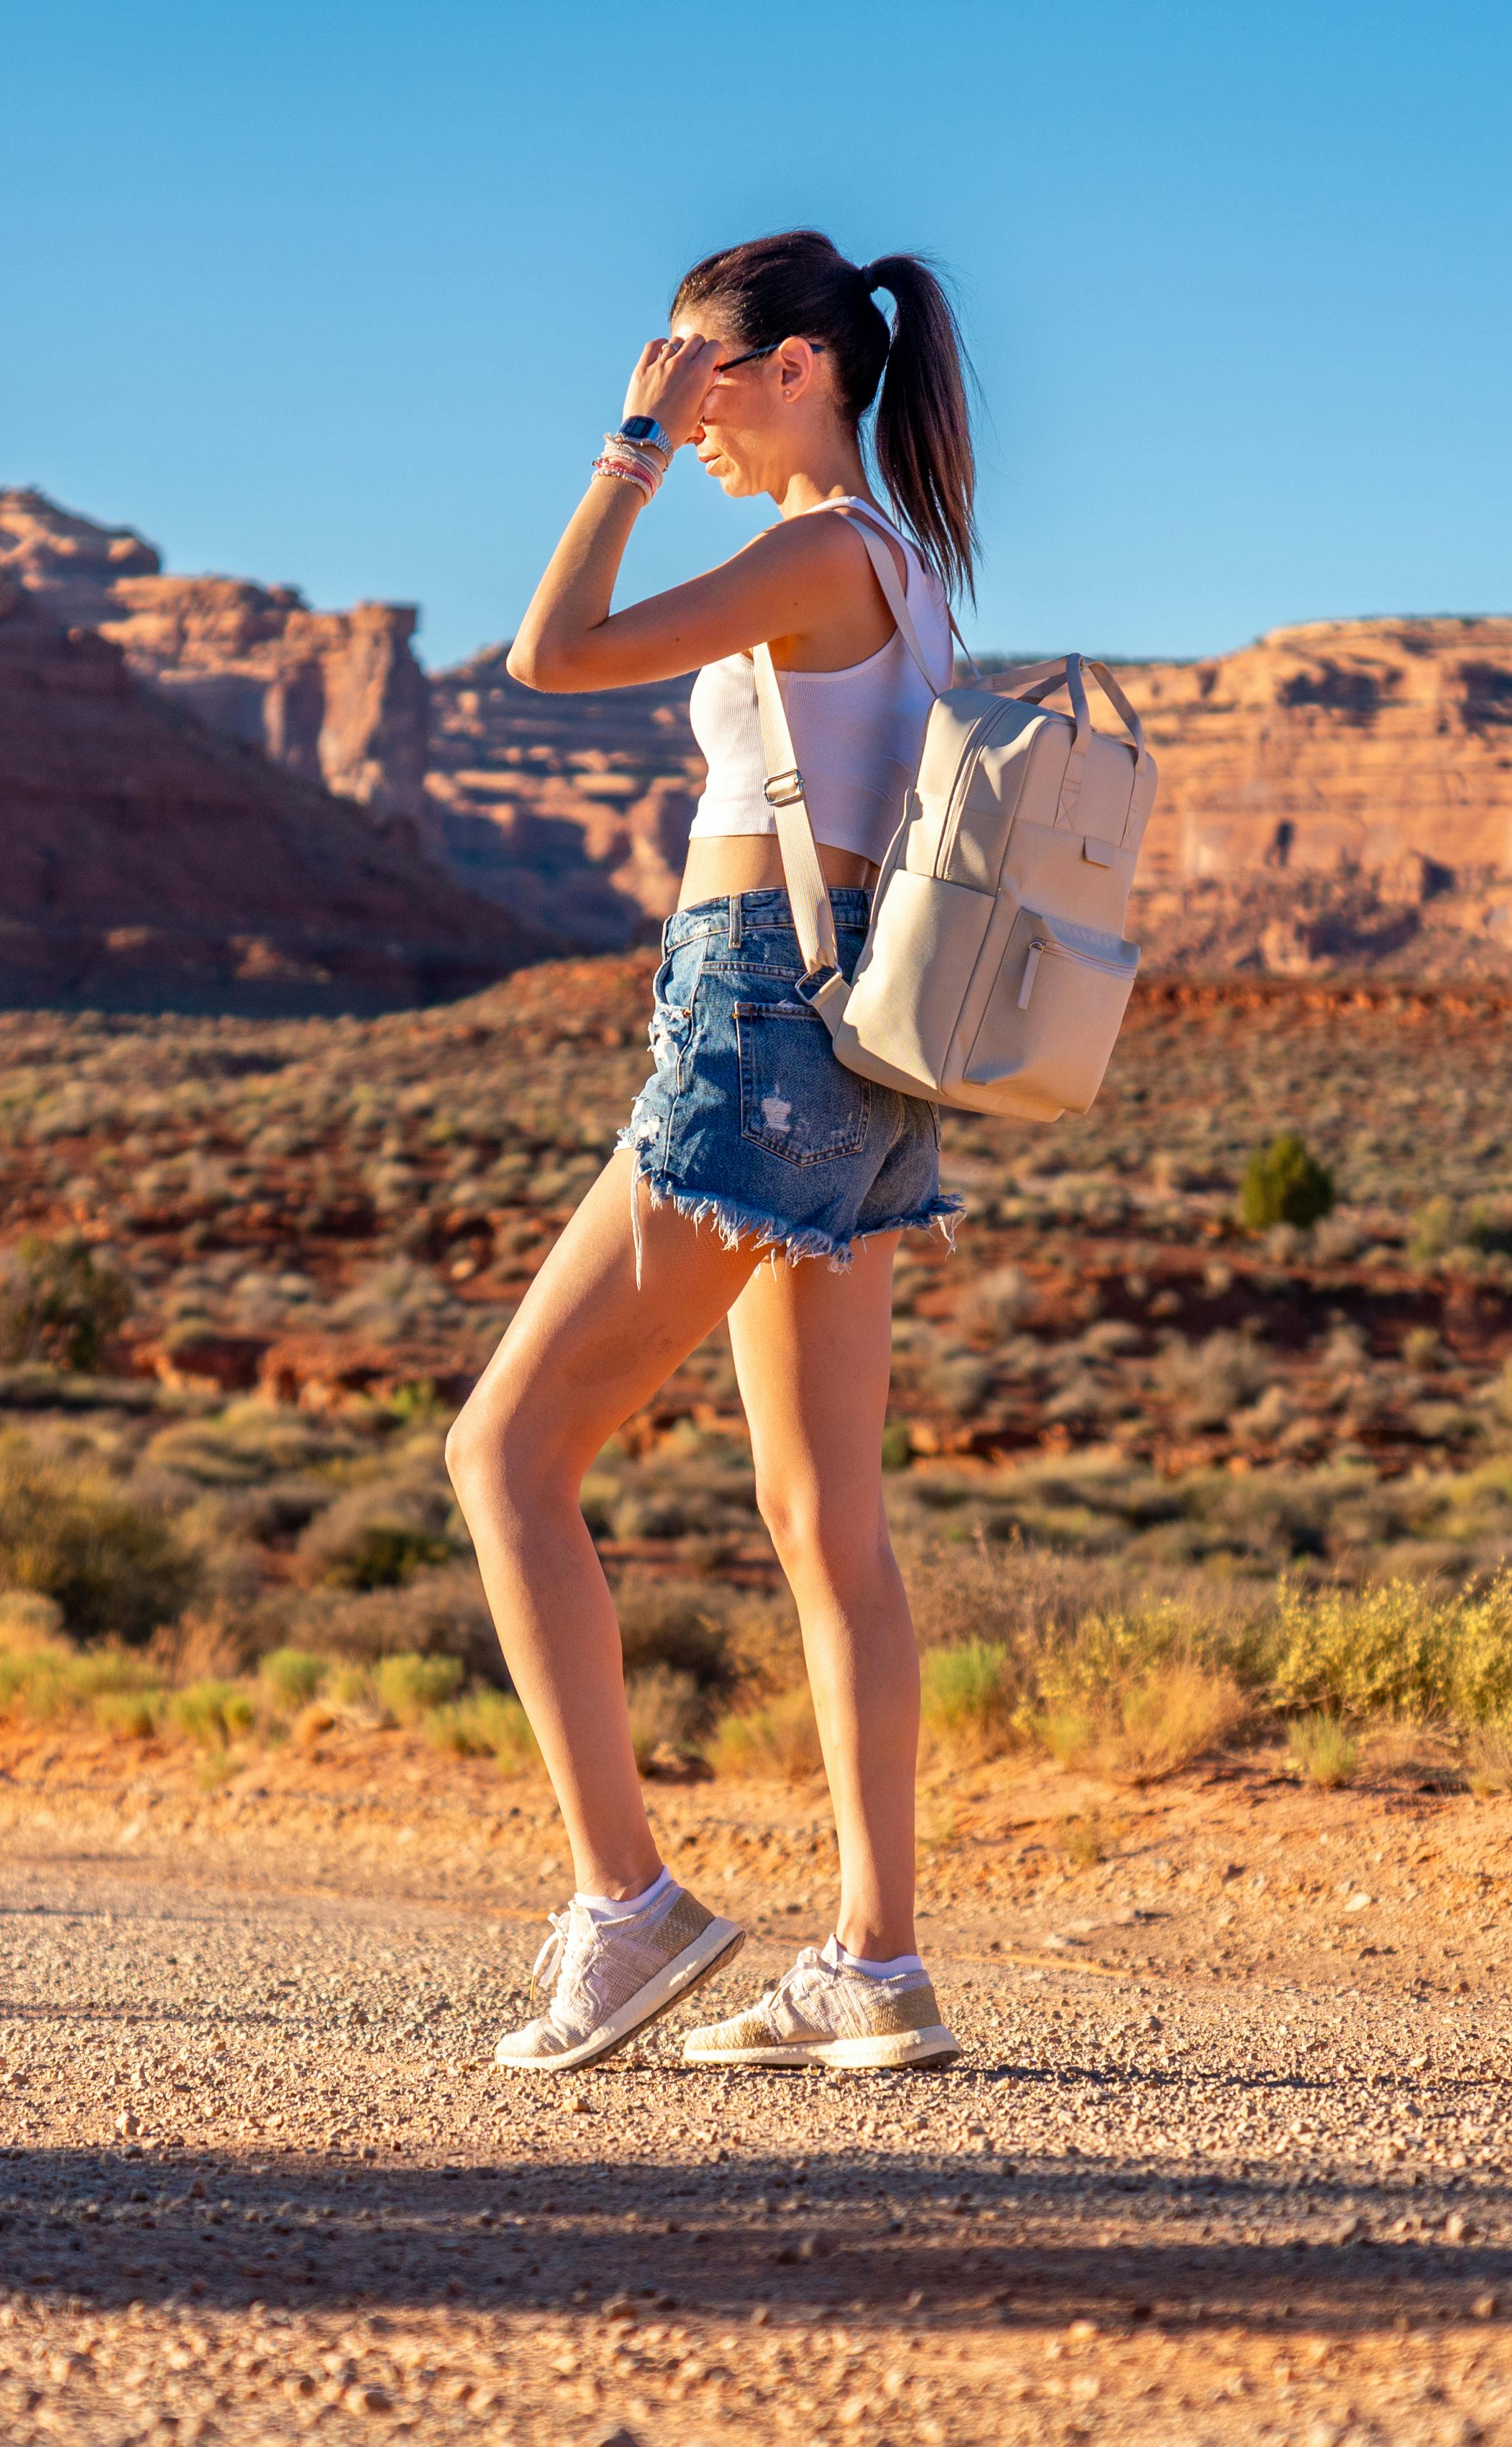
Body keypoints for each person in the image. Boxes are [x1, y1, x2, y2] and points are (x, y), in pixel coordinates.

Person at [446, 230, 978, 2075]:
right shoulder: (908, 568)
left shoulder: (821, 551)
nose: (686, 403)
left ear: (801, 366)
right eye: (666, 377)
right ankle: (875, 1966)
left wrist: (629, 449)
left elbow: (551, 652)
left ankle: (631, 1909)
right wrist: (673, 411)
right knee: (827, 1521)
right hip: (863, 1043)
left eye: (699, 368)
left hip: (762, 1016)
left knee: (507, 1453)